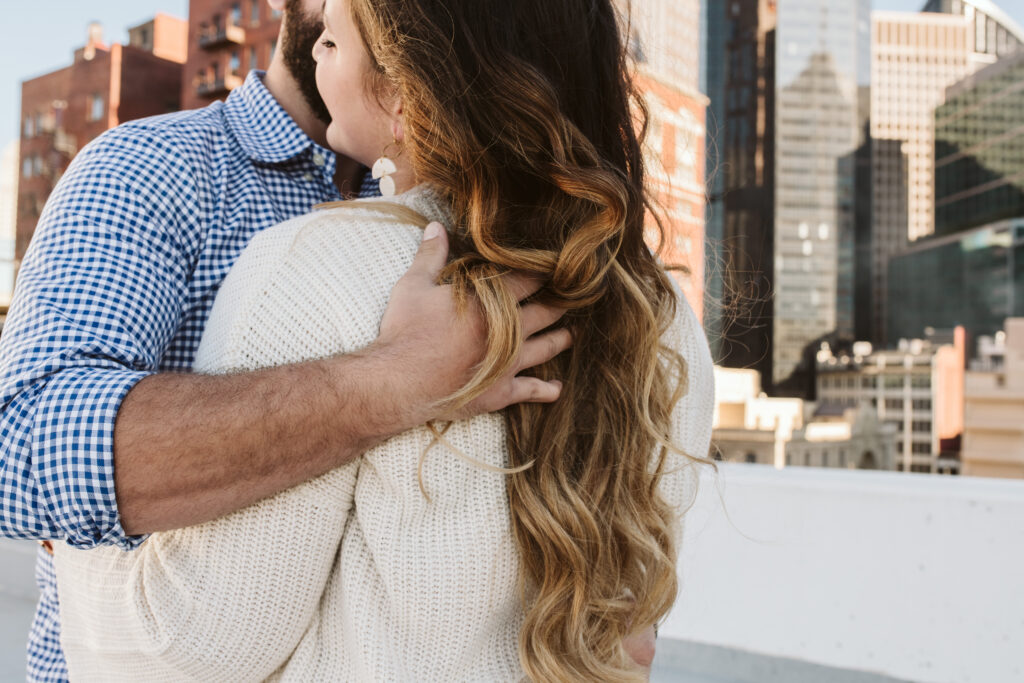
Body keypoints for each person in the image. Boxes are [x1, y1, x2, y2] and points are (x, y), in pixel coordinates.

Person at [49, 0, 715, 680]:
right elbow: (629, 613)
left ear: (402, 94)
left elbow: (192, 649)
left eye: (333, 44)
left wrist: (74, 555)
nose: (314, 52)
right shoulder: (658, 308)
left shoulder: (319, 264)